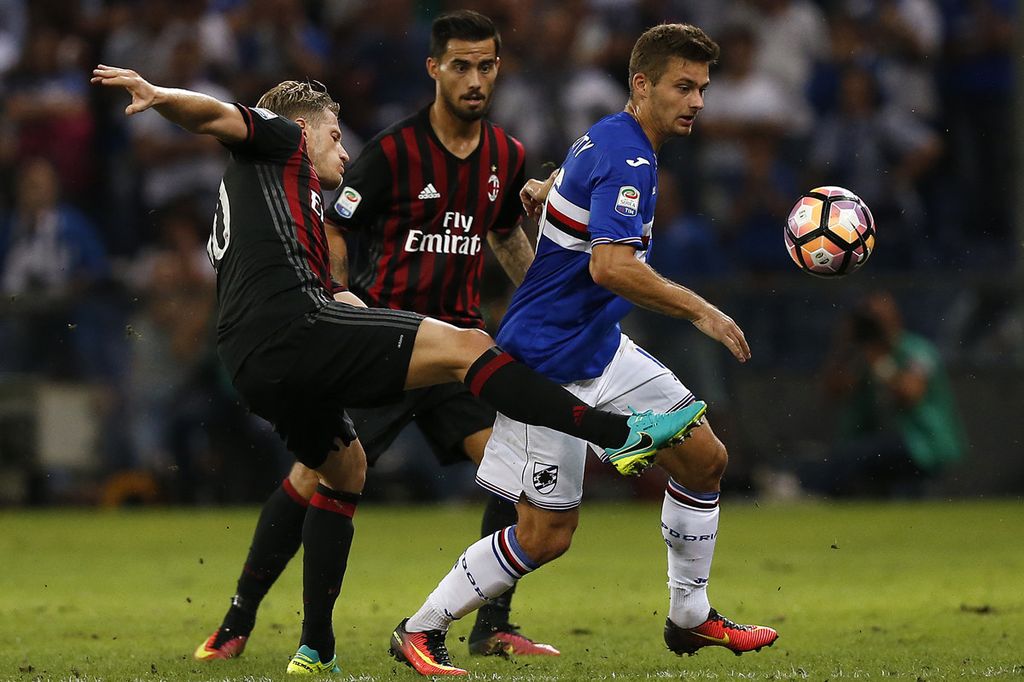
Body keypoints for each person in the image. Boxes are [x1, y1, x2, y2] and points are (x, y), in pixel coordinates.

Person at [91, 62, 706, 676]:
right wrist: (159, 94)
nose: (343, 149)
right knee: (470, 349)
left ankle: (317, 648)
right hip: (311, 331)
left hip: (254, 357)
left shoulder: (274, 187)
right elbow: (216, 115)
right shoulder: (284, 141)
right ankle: (615, 432)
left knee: (345, 467)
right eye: (334, 136)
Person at [389, 23, 778, 677]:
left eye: (703, 89)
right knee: (545, 536)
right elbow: (610, 267)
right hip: (544, 362)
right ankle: (420, 628)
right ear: (642, 85)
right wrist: (701, 311)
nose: (697, 101)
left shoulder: (613, 138)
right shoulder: (629, 157)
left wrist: (548, 191)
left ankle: (689, 616)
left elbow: (573, 193)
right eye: (683, 87)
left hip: (598, 347)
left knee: (704, 458)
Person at [193, 10, 557, 662]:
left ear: (498, 69)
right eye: (461, 66)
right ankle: (237, 618)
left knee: (514, 470)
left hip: (454, 349)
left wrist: (541, 307)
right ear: (435, 69)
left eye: (485, 66)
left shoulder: (506, 156)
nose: (474, 80)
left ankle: (492, 625)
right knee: (318, 474)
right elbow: (335, 223)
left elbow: (504, 235)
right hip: (384, 344)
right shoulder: (391, 152)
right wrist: (335, 293)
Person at [802, 291, 965, 497]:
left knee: (854, 455)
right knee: (844, 456)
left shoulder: (917, 350)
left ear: (895, 319)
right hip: (873, 438)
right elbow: (831, 391)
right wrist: (843, 346)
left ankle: (814, 494)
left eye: (876, 321)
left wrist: (880, 360)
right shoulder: (859, 355)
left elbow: (909, 395)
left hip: (920, 442)